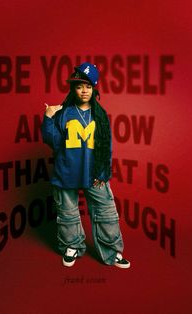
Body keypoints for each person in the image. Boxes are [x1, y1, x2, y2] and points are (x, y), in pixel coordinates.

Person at [41, 62, 130, 268]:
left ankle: (112, 251)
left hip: (94, 173)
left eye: (88, 86)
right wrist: (48, 118)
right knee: (68, 213)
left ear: (94, 89)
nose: (84, 90)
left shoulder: (100, 115)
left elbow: (107, 147)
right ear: (73, 88)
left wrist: (103, 172)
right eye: (80, 86)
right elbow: (53, 142)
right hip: (66, 172)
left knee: (106, 211)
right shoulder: (64, 113)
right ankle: (71, 246)